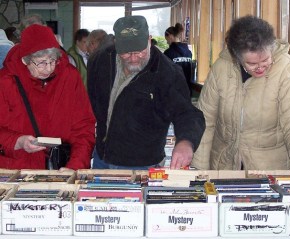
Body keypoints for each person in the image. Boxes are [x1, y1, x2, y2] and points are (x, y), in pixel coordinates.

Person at [87, 15, 205, 170]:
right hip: (102, 157)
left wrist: (186, 142)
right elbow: (91, 101)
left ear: (149, 40)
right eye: (127, 53)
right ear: (116, 44)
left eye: (140, 51)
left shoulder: (167, 73)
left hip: (142, 163)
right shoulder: (101, 60)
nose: (134, 58)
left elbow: (187, 113)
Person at [192, 15, 290, 176]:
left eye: (265, 60)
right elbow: (205, 121)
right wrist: (198, 170)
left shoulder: (285, 67)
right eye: (252, 64)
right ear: (237, 57)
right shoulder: (221, 68)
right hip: (224, 166)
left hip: (269, 167)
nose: (260, 68)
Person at [0, 24, 96, 170]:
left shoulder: (69, 76)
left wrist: (76, 165)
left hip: (60, 168)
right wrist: (17, 141)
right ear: (25, 60)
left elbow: (83, 127)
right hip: (16, 170)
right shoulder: (5, 82)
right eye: (41, 63)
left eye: (53, 60)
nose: (49, 68)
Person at [164, 23, 193, 96]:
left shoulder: (168, 53)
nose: (167, 42)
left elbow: (165, 74)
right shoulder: (189, 52)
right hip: (187, 90)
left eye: (166, 39)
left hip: (173, 92)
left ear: (170, 36)